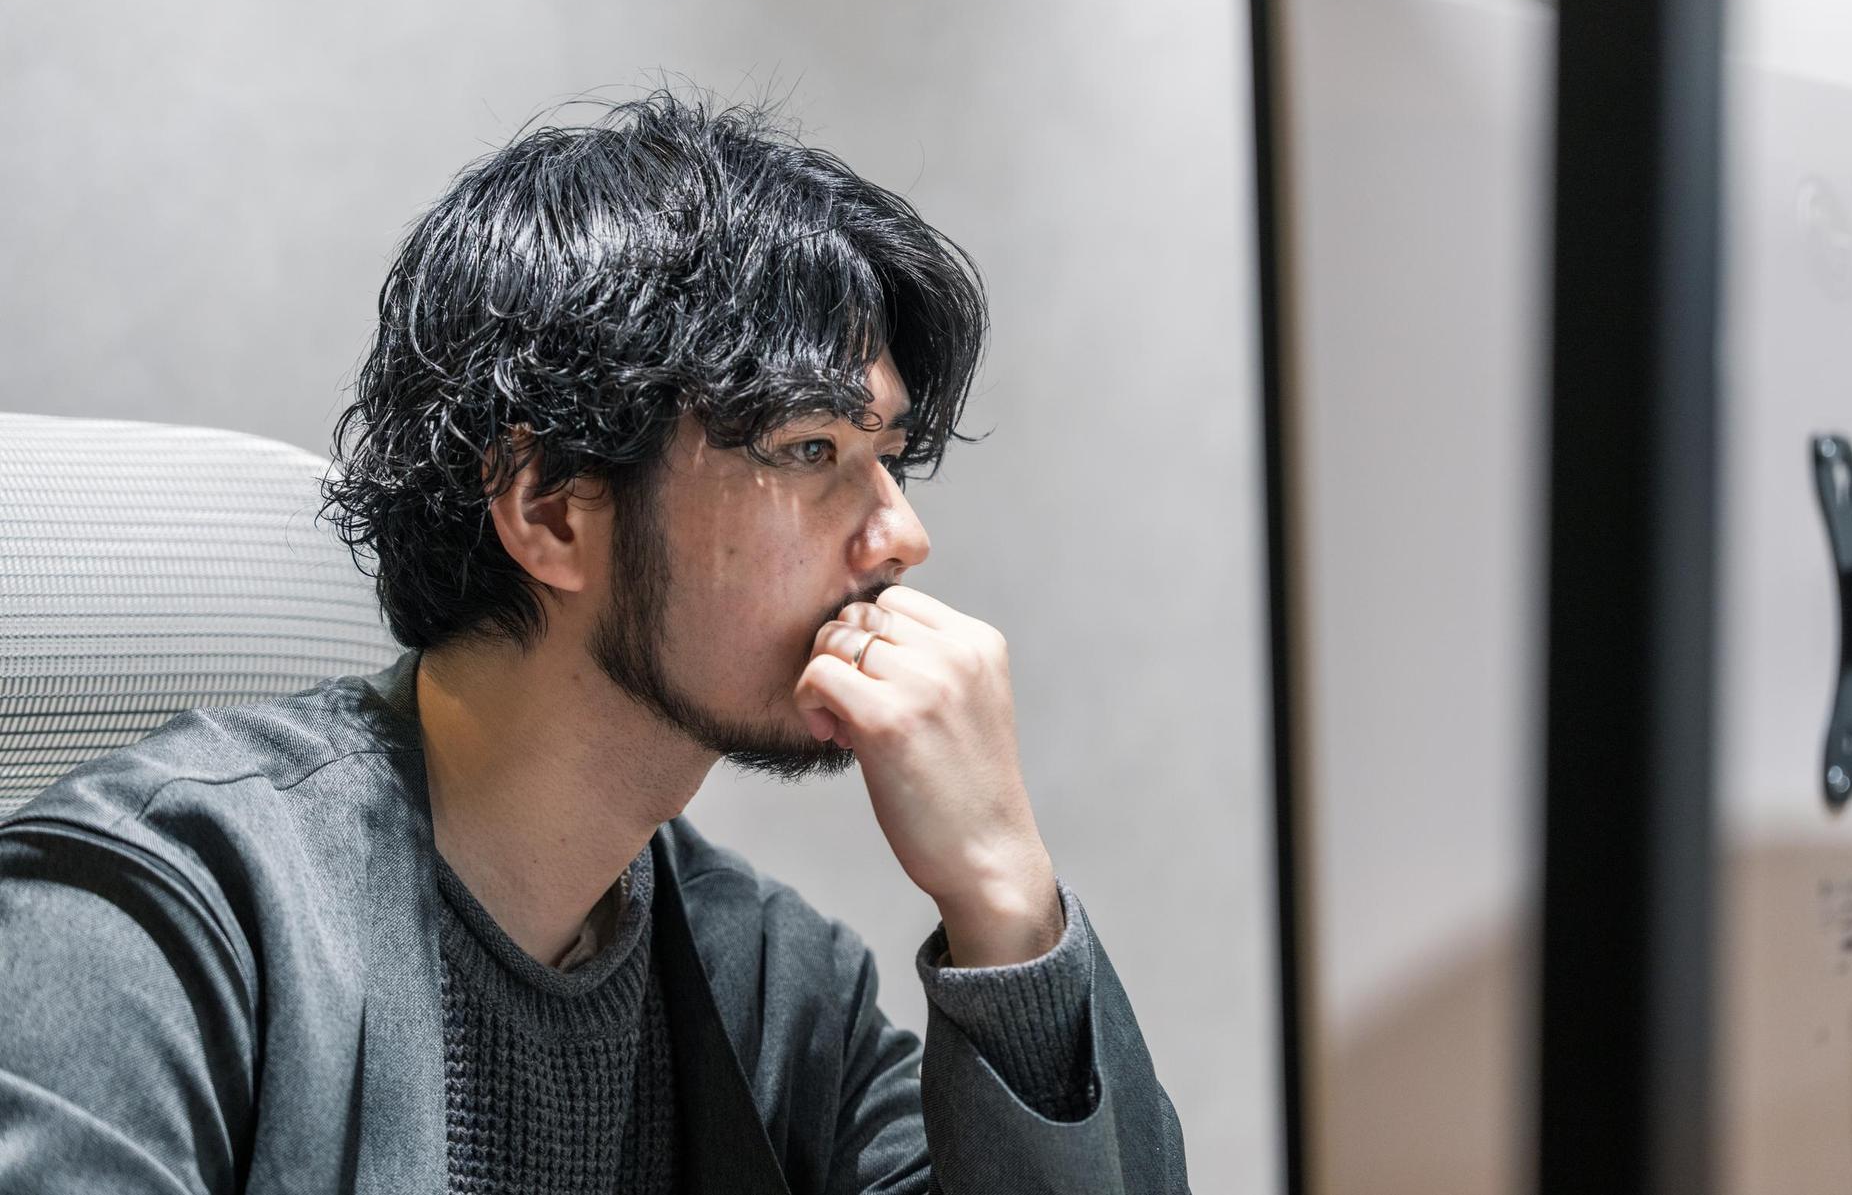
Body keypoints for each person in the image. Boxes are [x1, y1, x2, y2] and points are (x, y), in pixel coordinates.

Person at [0, 90, 1190, 1193]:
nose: (902, 537)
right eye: (810, 450)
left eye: (888, 459)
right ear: (552, 509)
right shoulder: (139, 921)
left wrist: (1002, 900)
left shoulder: (772, 986)